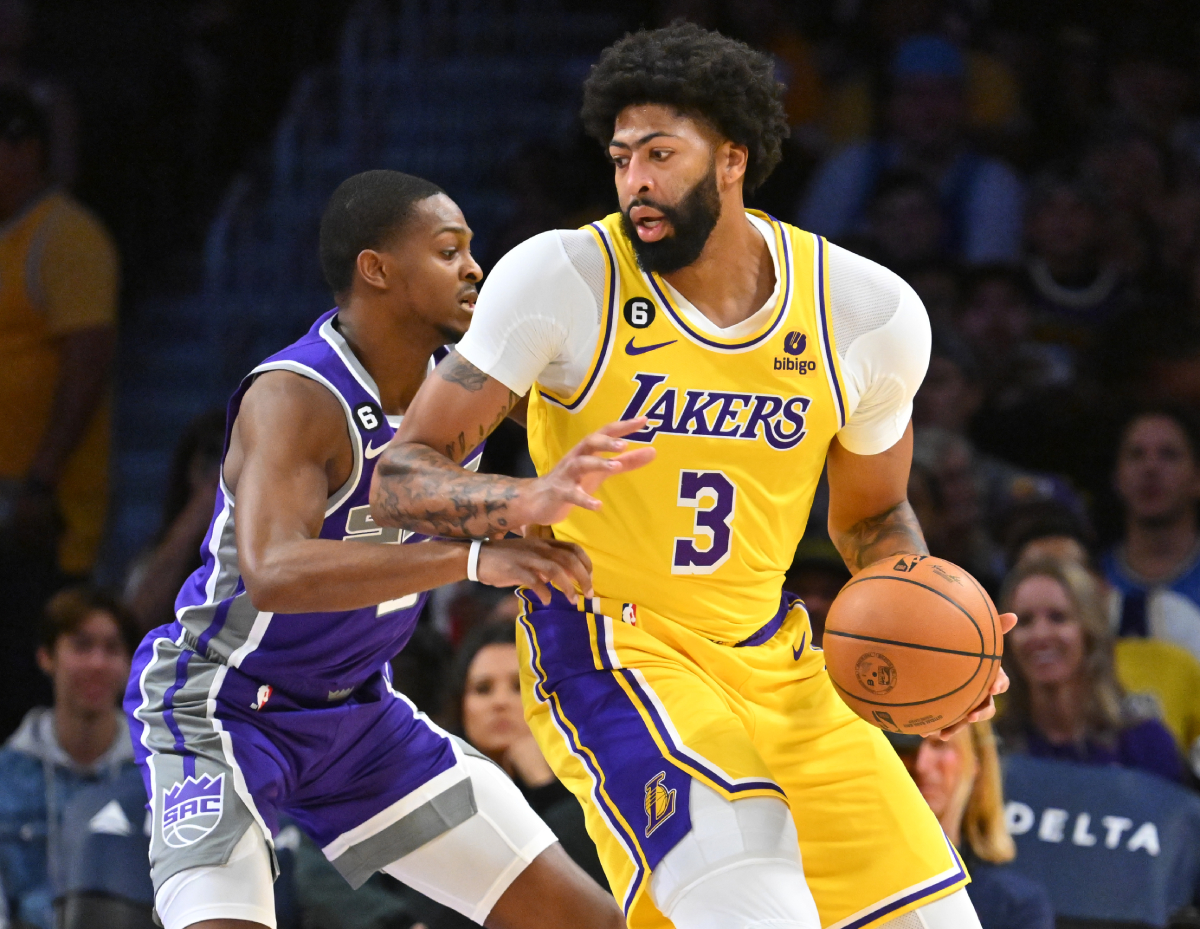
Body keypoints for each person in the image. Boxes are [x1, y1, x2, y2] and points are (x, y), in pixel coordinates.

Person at [370, 24, 1013, 929]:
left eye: (661, 154)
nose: (635, 180)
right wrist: (524, 498)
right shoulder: (564, 278)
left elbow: (874, 518)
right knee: (758, 905)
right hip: (610, 646)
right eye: (621, 158)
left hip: (775, 654)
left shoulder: (863, 312)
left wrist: (936, 632)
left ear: (733, 159)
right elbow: (400, 476)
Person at [123, 171, 624, 929]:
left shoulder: (467, 384)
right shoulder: (296, 396)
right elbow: (274, 572)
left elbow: (600, 424)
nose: (474, 269)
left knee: (585, 920)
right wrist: (474, 555)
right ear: (377, 269)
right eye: (449, 251)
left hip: (360, 717)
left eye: (471, 251)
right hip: (222, 705)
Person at [0, 86, 119, 739]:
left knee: (29, 693)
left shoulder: (68, 236)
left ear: (23, 148)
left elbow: (86, 365)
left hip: (42, 518)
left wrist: (42, 479)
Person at [799, 35, 1025, 265]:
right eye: (914, 94)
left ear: (964, 104)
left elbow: (991, 274)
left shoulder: (992, 181)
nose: (929, 109)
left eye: (943, 94)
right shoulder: (850, 167)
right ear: (889, 105)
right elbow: (810, 260)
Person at [0, 586, 138, 929]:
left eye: (112, 648)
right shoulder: (6, 777)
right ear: (46, 657)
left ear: (128, 664)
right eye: (81, 646)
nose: (97, 663)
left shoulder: (156, 775)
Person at [998, 556, 1186, 783]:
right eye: (1025, 621)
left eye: (1058, 618)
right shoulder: (991, 749)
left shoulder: (1146, 743)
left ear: (1089, 632)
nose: (1040, 634)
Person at [891, 723, 1055, 929]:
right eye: (907, 746)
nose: (920, 765)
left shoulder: (1014, 905)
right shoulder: (861, 872)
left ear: (976, 761)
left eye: (939, 745)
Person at [1102, 407, 1200, 663]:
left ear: (1197, 477)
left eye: (1168, 454)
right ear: (1116, 478)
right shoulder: (1091, 582)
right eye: (1136, 455)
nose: (1151, 467)